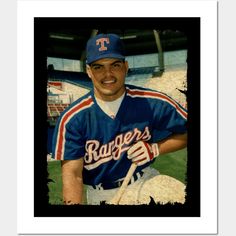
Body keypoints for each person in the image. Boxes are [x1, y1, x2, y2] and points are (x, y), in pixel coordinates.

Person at [52, 33, 187, 205]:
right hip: (101, 195)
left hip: (144, 181)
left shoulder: (152, 101)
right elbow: (73, 175)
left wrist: (155, 148)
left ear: (125, 66)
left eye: (115, 65)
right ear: (88, 71)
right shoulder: (73, 119)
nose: (108, 74)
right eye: (98, 67)